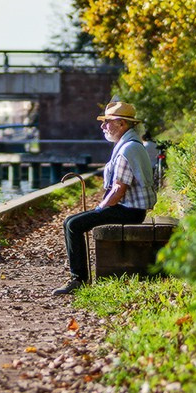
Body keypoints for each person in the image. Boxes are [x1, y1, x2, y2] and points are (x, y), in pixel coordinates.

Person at [53, 101, 157, 295]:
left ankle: (79, 279)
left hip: (129, 211)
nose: (103, 126)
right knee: (71, 221)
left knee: (74, 224)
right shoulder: (129, 144)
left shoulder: (127, 149)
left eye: (107, 122)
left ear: (121, 124)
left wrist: (100, 208)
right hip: (130, 209)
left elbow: (119, 190)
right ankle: (78, 277)